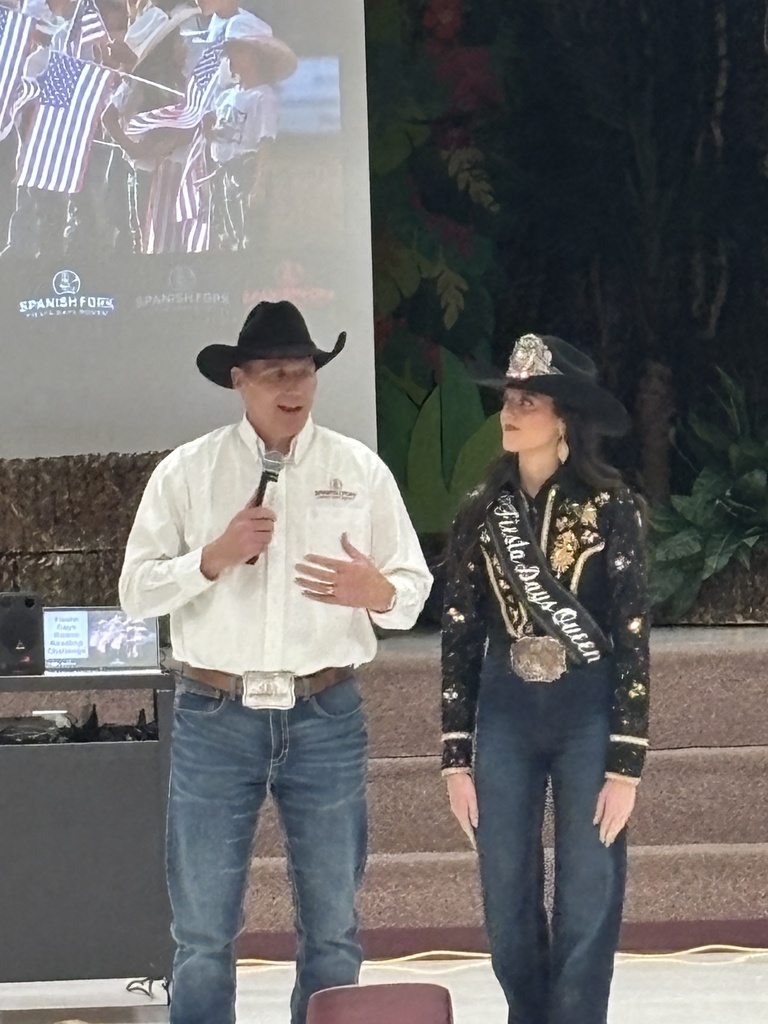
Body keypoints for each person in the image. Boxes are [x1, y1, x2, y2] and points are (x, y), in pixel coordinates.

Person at [119, 300, 432, 1024]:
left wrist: (377, 592)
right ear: (239, 380)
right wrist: (211, 558)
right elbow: (135, 592)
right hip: (214, 714)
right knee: (202, 932)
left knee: (332, 928)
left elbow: (412, 591)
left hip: (326, 715)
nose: (292, 386)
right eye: (273, 373)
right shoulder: (187, 473)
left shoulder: (360, 470)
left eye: (304, 371)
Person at [441, 333, 650, 1024]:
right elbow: (461, 633)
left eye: (528, 399)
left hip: (589, 713)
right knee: (505, 886)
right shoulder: (479, 510)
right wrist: (455, 756)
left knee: (590, 887)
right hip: (503, 712)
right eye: (508, 397)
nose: (511, 409)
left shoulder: (615, 507)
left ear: (563, 416)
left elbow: (630, 636)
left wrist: (626, 762)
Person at [207, 14, 296, 250]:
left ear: (255, 56)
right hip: (224, 175)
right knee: (227, 235)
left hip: (246, 173)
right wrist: (210, 131)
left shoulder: (263, 97)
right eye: (229, 52)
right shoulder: (226, 96)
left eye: (238, 51)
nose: (230, 58)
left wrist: (259, 184)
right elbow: (221, 133)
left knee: (249, 239)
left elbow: (266, 143)